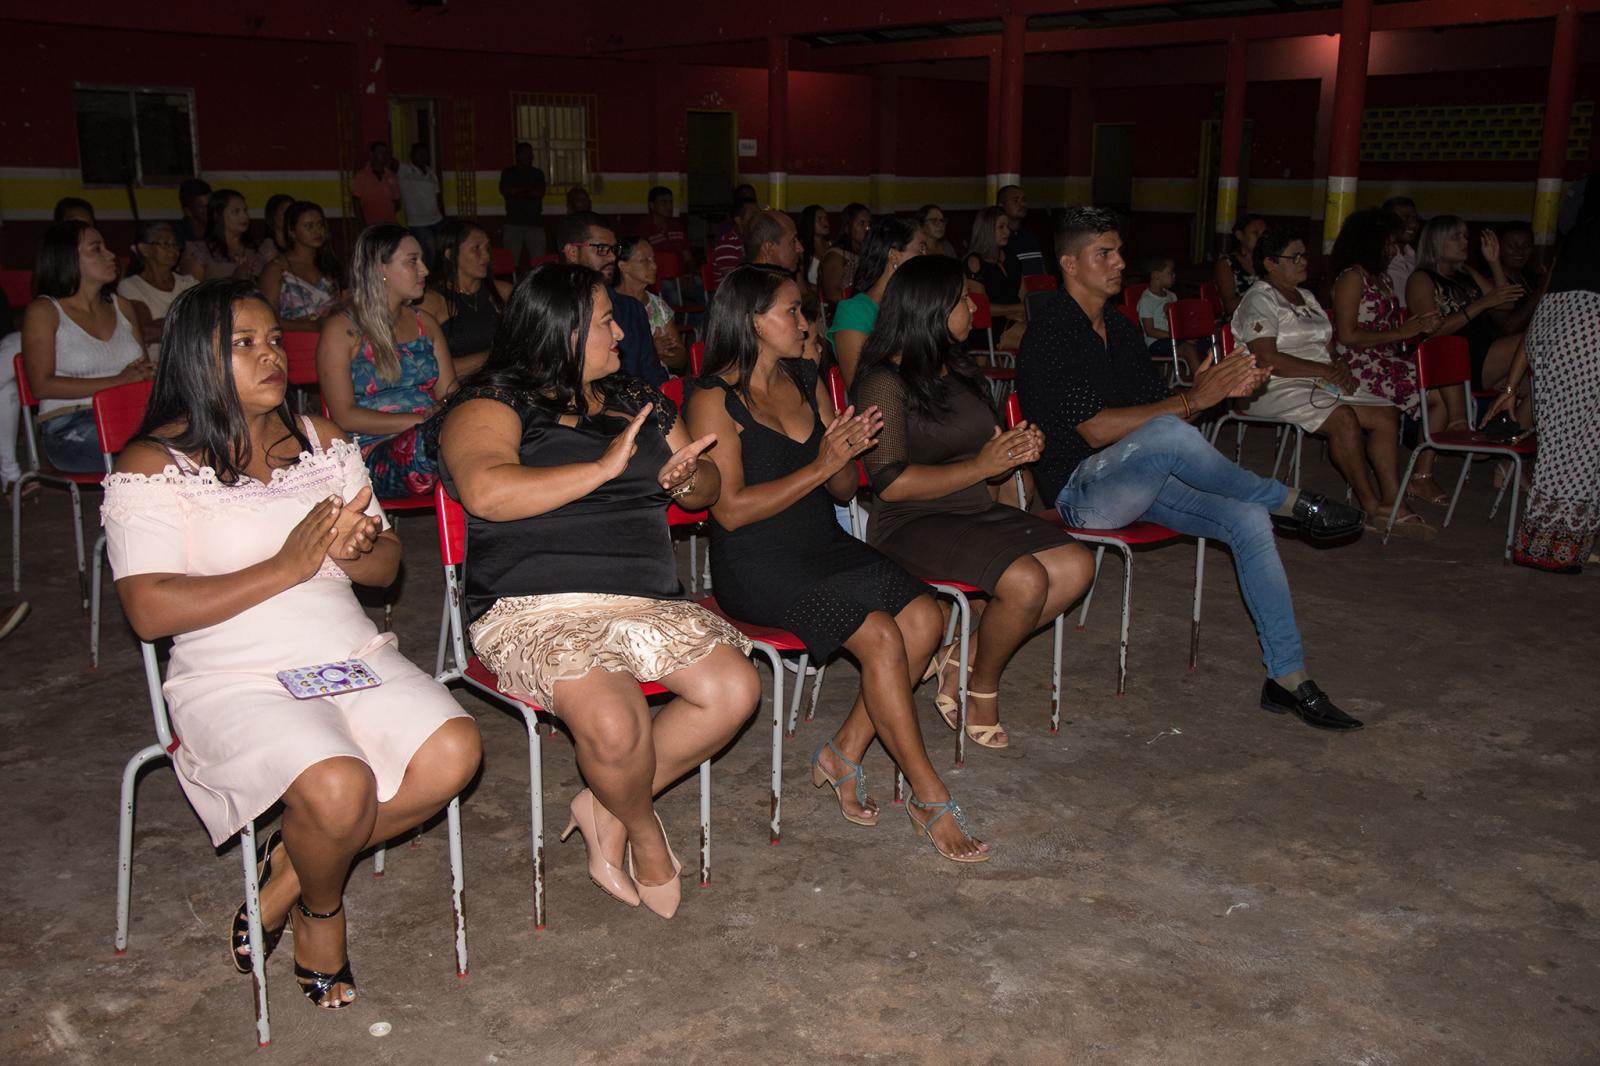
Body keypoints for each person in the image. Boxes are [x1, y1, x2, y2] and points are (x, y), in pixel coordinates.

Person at [103, 277, 480, 1009]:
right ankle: (321, 910)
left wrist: (357, 545)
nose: (271, 354)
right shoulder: (152, 468)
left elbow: (386, 570)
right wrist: (287, 565)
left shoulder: (323, 444)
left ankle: (285, 877)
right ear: (195, 358)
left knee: (455, 752)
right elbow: (148, 611)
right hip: (235, 675)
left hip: (349, 654)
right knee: (339, 785)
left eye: (274, 338)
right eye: (243, 344)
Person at [432, 263, 758, 918]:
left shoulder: (638, 395)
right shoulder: (488, 403)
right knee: (614, 722)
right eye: (607, 319)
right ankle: (640, 831)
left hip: (643, 599)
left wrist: (686, 481)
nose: (620, 329)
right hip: (535, 602)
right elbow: (488, 492)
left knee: (734, 691)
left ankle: (605, 801)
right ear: (562, 328)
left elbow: (707, 489)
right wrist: (603, 468)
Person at [1017, 207, 1367, 731]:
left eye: (1119, 251)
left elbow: (1156, 411)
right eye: (1104, 254)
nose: (1119, 263)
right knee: (1173, 431)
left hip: (1138, 478)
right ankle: (1289, 500)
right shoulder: (1050, 332)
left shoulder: (1120, 327)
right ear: (1070, 263)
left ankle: (1288, 678)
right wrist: (1189, 403)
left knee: (1247, 519)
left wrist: (1209, 393)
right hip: (1081, 492)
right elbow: (1094, 430)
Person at [687, 265, 990, 862]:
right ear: (752, 321)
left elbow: (846, 491)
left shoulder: (806, 378)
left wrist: (849, 446)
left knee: (925, 618)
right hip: (759, 565)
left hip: (823, 545)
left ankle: (843, 752)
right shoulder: (711, 399)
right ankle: (928, 795)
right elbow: (730, 513)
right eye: (792, 311)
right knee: (880, 634)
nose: (805, 323)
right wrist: (822, 465)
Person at [853, 255, 1094, 749]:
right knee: (1026, 581)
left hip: (971, 509)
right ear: (934, 309)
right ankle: (980, 686)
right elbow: (891, 484)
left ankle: (959, 656)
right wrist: (982, 468)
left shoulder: (960, 371)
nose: (972, 305)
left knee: (1075, 565)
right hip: (909, 521)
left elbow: (983, 457)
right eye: (963, 297)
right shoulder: (884, 381)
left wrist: (1011, 455)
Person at [1235, 226, 1428, 538]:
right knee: (1343, 419)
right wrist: (1324, 371)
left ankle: (1393, 500)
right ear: (1270, 263)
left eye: (1303, 255)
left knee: (1386, 413)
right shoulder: (1259, 300)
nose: (1302, 261)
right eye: (1293, 257)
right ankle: (1370, 505)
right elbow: (1267, 358)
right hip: (1272, 385)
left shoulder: (1306, 297)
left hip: (1315, 380)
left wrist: (1338, 367)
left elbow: (1328, 347)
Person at [1497, 197, 1600, 573]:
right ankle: (1545, 548)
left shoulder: (1579, 234)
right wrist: (1509, 388)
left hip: (1557, 329)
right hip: (1585, 333)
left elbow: (1543, 309)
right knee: (1577, 449)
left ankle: (1562, 545)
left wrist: (1510, 388)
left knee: (1572, 446)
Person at [317, 225, 458, 498]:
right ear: (380, 268)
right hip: (375, 453)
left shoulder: (424, 324)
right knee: (451, 440)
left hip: (433, 436)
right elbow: (343, 416)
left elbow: (449, 394)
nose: (425, 270)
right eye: (412, 261)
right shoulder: (342, 330)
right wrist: (418, 421)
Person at [1404, 216, 1526, 502]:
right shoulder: (1421, 278)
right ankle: (1466, 433)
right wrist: (1482, 304)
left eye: (1464, 237)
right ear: (1437, 242)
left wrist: (1494, 262)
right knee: (1528, 342)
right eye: (1456, 237)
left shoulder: (1467, 273)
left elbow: (1506, 304)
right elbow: (1433, 330)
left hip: (1479, 356)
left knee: (1535, 379)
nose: (1465, 242)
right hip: (1445, 359)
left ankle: (1506, 448)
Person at [1330, 208, 1445, 497]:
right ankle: (1412, 477)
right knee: (1434, 394)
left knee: (1443, 388)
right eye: (1390, 242)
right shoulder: (1352, 277)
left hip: (1385, 356)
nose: (1395, 249)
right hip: (1357, 361)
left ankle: (1421, 472)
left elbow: (1389, 328)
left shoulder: (1382, 278)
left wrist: (1417, 326)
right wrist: (1401, 333)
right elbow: (1347, 335)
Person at [21, 221, 150, 473]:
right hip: (69, 425)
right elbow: (41, 385)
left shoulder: (122, 306)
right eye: (96, 249)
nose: (111, 255)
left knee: (195, 434)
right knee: (148, 449)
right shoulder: (45, 311)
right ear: (68, 259)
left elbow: (141, 373)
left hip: (125, 416)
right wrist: (118, 381)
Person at [559, 211, 666, 385]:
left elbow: (654, 377)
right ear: (572, 251)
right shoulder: (548, 311)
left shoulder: (631, 310)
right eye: (601, 249)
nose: (612, 257)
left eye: (614, 250)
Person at [827, 216, 926, 387]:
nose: (927, 258)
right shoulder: (854, 312)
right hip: (880, 406)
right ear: (894, 256)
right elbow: (858, 384)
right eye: (921, 250)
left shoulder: (915, 306)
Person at [419, 220, 510, 378]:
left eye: (487, 248)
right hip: (458, 389)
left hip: (504, 382)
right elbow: (427, 367)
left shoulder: (504, 292)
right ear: (450, 254)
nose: (486, 255)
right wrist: (491, 358)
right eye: (476, 248)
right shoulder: (432, 302)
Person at [118, 221, 198, 355]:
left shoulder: (188, 283)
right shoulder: (131, 286)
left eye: (175, 244)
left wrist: (161, 324)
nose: (173, 249)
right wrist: (187, 324)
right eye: (166, 244)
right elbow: (145, 332)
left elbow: (203, 322)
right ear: (144, 249)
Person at [258, 201, 341, 331]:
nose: (317, 231)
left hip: (332, 339)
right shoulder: (276, 269)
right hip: (294, 344)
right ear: (292, 232)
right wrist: (312, 326)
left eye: (320, 225)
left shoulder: (328, 264)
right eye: (309, 226)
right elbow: (266, 318)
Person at [615, 236, 688, 374]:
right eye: (645, 261)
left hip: (660, 384)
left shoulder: (657, 305)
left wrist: (663, 353)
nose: (654, 266)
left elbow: (681, 359)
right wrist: (650, 349)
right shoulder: (611, 305)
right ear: (623, 266)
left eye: (653, 259)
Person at [1137, 255, 1206, 377]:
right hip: (1157, 343)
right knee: (1188, 348)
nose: (1174, 276)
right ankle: (1202, 381)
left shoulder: (1172, 296)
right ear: (1156, 275)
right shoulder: (1146, 301)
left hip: (1175, 339)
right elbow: (1150, 331)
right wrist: (1178, 337)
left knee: (1209, 341)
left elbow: (1179, 321)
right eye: (1170, 273)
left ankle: (1218, 376)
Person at [179, 189, 270, 282]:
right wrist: (233, 280)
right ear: (217, 215)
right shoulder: (200, 251)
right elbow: (192, 293)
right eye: (236, 211)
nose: (245, 216)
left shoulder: (256, 249)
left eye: (245, 210)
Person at [965, 206, 1023, 345]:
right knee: (1040, 337)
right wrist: (1016, 309)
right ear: (987, 230)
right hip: (989, 326)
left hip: (1013, 319)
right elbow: (980, 309)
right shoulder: (974, 262)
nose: (1007, 232)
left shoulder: (1010, 257)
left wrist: (1020, 312)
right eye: (1001, 227)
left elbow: (1023, 295)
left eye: (1007, 227)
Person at [1493, 220, 1545, 337]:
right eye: (1511, 246)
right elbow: (1508, 327)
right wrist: (1542, 289)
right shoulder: (1490, 281)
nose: (1519, 251)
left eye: (1525, 246)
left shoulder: (1530, 277)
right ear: (1497, 248)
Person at [499, 142, 548, 268]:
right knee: (509, 264)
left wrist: (518, 191)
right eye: (525, 153)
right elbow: (506, 190)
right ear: (517, 155)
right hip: (513, 224)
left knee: (539, 264)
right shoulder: (509, 172)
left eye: (530, 153)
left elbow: (539, 193)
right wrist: (528, 191)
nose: (528, 156)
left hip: (535, 224)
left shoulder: (537, 174)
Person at [397, 143, 445, 265]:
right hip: (418, 221)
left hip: (436, 218)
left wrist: (443, 215)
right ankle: (426, 279)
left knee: (441, 250)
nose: (422, 156)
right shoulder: (403, 169)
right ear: (411, 155)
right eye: (419, 153)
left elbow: (437, 195)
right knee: (428, 251)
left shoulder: (430, 172)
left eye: (424, 153)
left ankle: (434, 277)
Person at [818, 202, 870, 305]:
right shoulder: (835, 256)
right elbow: (832, 295)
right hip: (845, 313)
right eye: (862, 223)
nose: (867, 229)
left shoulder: (867, 253)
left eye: (869, 224)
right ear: (847, 227)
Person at [1214, 214, 1266, 316]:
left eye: (1264, 234)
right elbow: (1230, 307)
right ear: (1239, 235)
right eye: (1255, 233)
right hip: (1238, 321)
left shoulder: (1268, 262)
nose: (1261, 238)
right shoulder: (1226, 264)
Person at [1381, 196, 1421, 307]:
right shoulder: (1379, 259)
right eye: (1405, 218)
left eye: (1415, 219)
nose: (1413, 225)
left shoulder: (1419, 258)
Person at [997, 185, 1045, 277]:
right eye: (1016, 200)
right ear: (1001, 205)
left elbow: (1041, 268)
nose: (1022, 204)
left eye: (1023, 200)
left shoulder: (1030, 236)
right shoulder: (1000, 239)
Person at [710, 197, 759, 285]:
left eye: (759, 214)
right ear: (738, 220)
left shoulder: (756, 240)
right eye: (753, 214)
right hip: (732, 296)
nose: (758, 218)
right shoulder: (726, 244)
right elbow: (733, 281)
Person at [637, 186, 690, 264]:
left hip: (678, 273)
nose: (669, 206)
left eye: (671, 202)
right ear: (652, 205)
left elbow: (687, 257)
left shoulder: (677, 226)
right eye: (664, 202)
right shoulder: (645, 228)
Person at [352, 142, 400, 227]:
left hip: (389, 224)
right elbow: (356, 203)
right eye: (380, 152)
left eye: (386, 152)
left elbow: (397, 202)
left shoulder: (391, 175)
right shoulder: (361, 176)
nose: (384, 155)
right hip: (370, 225)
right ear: (372, 154)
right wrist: (362, 225)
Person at [798, 204, 833, 292]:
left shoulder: (832, 246)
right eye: (820, 219)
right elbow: (800, 282)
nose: (825, 222)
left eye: (826, 218)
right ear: (809, 222)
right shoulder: (801, 249)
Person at [173, 179, 212, 247]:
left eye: (211, 204)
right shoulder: (175, 236)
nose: (209, 209)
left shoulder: (221, 231)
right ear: (188, 211)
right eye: (202, 206)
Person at [261, 193, 295, 259]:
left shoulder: (297, 243)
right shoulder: (268, 247)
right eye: (286, 213)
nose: (291, 216)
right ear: (274, 216)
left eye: (293, 212)